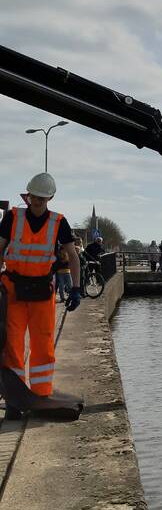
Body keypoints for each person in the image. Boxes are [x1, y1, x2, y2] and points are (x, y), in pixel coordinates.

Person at [0, 173, 81, 414]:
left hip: (41, 291)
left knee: (43, 343)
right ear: (28, 195)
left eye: (42, 199)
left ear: (50, 198)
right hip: (13, 289)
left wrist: (76, 288)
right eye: (34, 197)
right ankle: (14, 398)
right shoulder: (13, 217)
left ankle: (41, 394)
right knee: (12, 344)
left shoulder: (59, 222)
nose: (36, 202)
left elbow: (73, 256)